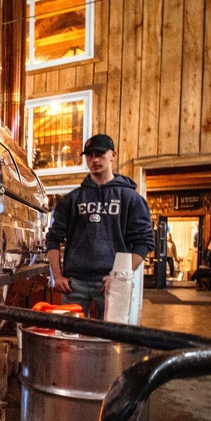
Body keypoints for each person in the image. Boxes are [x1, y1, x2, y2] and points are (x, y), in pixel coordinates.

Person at [45, 134, 155, 319]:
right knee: (71, 340)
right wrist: (57, 276)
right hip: (74, 284)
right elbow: (53, 238)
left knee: (112, 339)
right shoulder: (72, 200)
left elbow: (144, 243)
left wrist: (118, 276)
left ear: (113, 154)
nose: (94, 160)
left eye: (100, 154)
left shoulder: (131, 199)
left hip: (112, 282)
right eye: (89, 155)